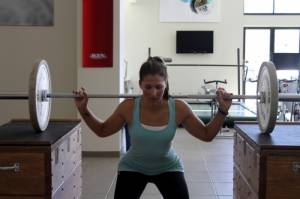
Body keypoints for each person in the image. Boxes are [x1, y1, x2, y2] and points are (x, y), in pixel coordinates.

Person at [74, 56, 232, 199]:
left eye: (159, 87)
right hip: (133, 167)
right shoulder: (129, 107)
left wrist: (222, 110)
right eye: (148, 87)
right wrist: (83, 110)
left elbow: (206, 134)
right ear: (140, 84)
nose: (154, 93)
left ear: (166, 84)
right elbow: (102, 131)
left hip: (168, 166)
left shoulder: (178, 107)